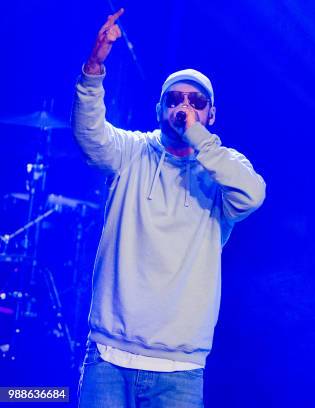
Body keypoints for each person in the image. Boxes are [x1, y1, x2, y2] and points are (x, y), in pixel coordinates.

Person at [72, 9, 266, 407]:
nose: (184, 107)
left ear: (211, 115)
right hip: (109, 357)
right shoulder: (132, 152)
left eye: (197, 102)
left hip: (179, 369)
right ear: (158, 110)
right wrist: (94, 69)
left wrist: (197, 135)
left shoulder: (223, 169)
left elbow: (252, 195)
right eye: (174, 100)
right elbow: (90, 136)